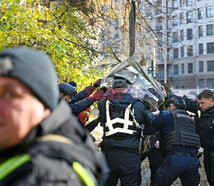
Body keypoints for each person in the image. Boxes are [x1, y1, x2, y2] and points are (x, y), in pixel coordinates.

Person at [0, 47, 108, 185]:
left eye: (11, 94)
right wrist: (92, 93)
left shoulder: (49, 176)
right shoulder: (20, 144)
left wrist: (92, 92)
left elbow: (76, 103)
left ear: (43, 101)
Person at [97, 79, 153, 186]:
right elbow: (148, 123)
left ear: (113, 91)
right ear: (127, 90)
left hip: (108, 154)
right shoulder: (137, 105)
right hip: (130, 154)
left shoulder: (103, 104)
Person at [145, 94, 200, 186]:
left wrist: (149, 116)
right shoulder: (190, 120)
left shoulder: (165, 114)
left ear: (170, 107)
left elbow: (149, 130)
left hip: (174, 159)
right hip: (193, 160)